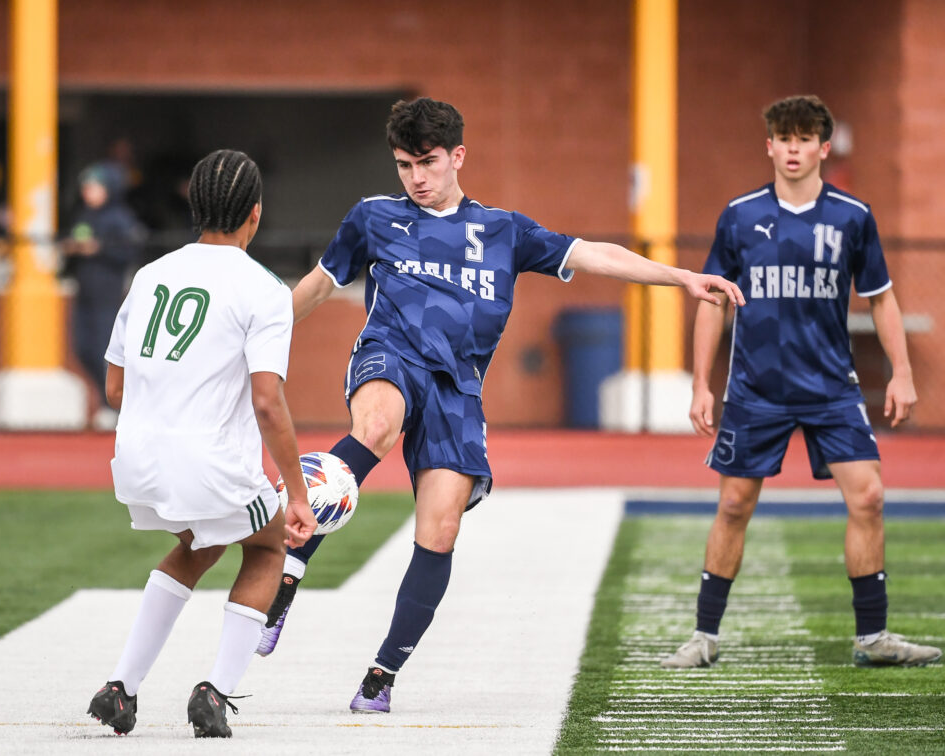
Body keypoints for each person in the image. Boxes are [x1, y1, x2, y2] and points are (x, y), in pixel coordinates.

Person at [255, 96, 746, 713]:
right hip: (392, 355)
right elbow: (322, 284)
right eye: (405, 165)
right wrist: (261, 343)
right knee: (376, 425)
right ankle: (288, 574)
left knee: (441, 528)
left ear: (458, 157)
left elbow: (594, 253)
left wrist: (680, 278)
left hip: (458, 388)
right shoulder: (373, 217)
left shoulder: (503, 231)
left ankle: (381, 676)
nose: (416, 178)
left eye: (428, 163)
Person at [660, 95, 941, 669]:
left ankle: (873, 637)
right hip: (755, 389)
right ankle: (704, 637)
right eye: (783, 139)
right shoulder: (739, 215)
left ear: (823, 146)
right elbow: (712, 301)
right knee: (734, 504)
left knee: (869, 496)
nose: (793, 149)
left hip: (831, 387)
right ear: (769, 146)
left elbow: (882, 299)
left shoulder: (852, 216)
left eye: (804, 138)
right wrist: (700, 383)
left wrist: (902, 373)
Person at [86, 149, 318, 738]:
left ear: (194, 209)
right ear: (256, 216)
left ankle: (121, 688)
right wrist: (297, 494)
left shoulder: (150, 275)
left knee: (200, 544)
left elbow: (113, 384)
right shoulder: (264, 289)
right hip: (209, 462)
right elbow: (267, 401)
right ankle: (215, 690)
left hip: (136, 457)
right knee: (269, 550)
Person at [61, 162, 144, 430]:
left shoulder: (120, 218)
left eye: (94, 187)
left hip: (106, 293)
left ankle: (116, 406)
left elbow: (130, 251)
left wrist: (99, 249)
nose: (88, 192)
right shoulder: (85, 215)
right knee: (82, 347)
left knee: (103, 350)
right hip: (84, 292)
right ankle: (107, 401)